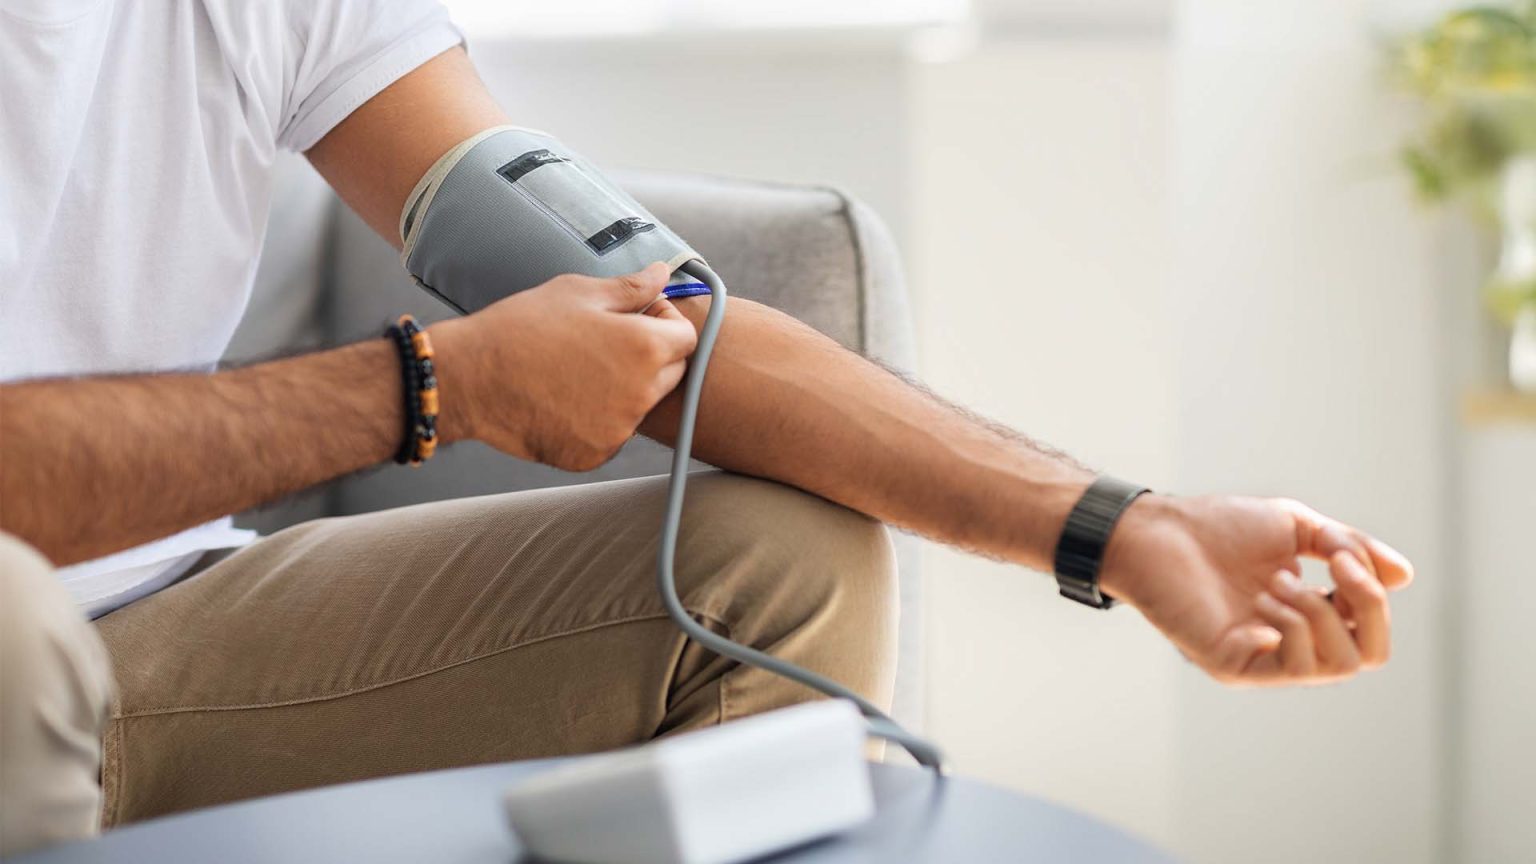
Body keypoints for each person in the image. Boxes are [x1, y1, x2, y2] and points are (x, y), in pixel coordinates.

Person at [0, 1, 1413, 856]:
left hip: (160, 625)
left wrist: (1125, 526)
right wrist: (429, 388)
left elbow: (651, 310)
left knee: (777, 558)